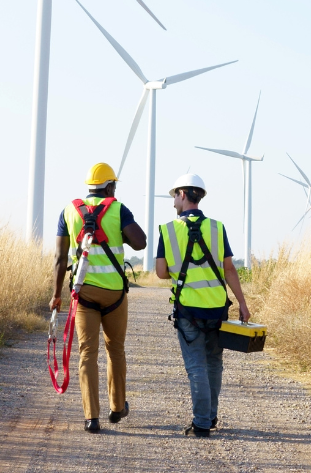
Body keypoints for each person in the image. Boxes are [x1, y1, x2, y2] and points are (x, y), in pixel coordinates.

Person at [51, 162, 147, 434]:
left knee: (87, 352)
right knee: (115, 349)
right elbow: (140, 242)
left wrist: (57, 296)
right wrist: (119, 232)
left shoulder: (69, 211)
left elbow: (60, 258)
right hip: (115, 294)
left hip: (83, 295)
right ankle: (117, 408)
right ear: (110, 186)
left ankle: (91, 417)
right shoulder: (118, 208)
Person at [154, 173, 253, 437]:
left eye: (175, 194)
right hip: (217, 308)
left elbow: (161, 272)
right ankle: (209, 417)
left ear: (183, 195)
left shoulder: (168, 229)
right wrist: (242, 303)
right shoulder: (218, 228)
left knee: (196, 366)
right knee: (213, 364)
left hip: (188, 310)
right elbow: (230, 269)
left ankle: (200, 424)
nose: (173, 200)